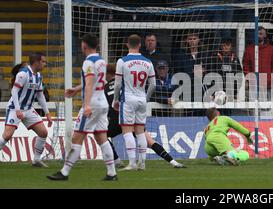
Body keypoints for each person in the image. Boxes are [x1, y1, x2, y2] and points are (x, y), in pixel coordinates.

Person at [47, 34, 117, 181]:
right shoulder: (101, 61)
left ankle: (64, 172)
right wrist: (77, 89)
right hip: (102, 103)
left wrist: (86, 106)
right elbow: (99, 81)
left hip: (92, 105)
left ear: (84, 45)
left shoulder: (88, 62)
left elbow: (90, 84)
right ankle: (112, 173)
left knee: (77, 137)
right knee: (101, 137)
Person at [104, 63, 186, 168]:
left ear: (107, 74)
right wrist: (165, 100)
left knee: (102, 136)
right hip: (132, 117)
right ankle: (173, 162)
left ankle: (117, 160)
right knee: (150, 142)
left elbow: (106, 106)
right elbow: (144, 96)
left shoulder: (105, 88)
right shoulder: (127, 83)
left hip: (117, 120)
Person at [0, 53, 53, 168]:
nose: (45, 64)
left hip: (28, 109)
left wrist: (47, 113)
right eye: (43, 61)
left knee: (43, 132)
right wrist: (18, 110)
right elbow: (14, 91)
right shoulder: (23, 74)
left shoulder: (38, 76)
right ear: (37, 62)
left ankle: (36, 160)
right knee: (7, 135)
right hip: (15, 108)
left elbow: (40, 96)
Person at [113, 34, 154, 171]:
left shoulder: (122, 61)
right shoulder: (148, 62)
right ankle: (142, 163)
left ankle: (131, 163)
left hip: (128, 99)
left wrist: (115, 99)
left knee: (127, 130)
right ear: (140, 45)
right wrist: (146, 98)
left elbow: (117, 84)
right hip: (142, 99)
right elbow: (153, 84)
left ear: (127, 44)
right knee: (140, 131)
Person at [243, 26, 273, 97]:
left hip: (267, 84)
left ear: (265, 35)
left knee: (266, 107)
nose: (259, 35)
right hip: (253, 85)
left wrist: (270, 78)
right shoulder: (249, 49)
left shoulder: (271, 49)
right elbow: (245, 65)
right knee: (253, 107)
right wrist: (250, 78)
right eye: (257, 34)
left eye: (261, 33)